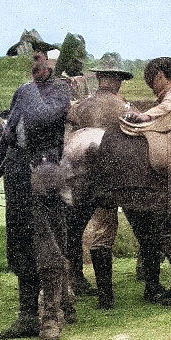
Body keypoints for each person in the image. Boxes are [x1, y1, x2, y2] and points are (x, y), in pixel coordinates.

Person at [0, 41, 73, 340]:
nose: (32, 64)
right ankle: (26, 316)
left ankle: (51, 316)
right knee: (19, 244)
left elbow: (40, 119)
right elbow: (8, 137)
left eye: (36, 58)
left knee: (47, 244)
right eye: (29, 60)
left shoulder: (60, 90)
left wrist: (25, 91)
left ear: (50, 61)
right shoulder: (24, 92)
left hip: (45, 172)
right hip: (17, 174)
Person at [67, 52, 140, 308]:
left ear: (98, 78)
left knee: (73, 226)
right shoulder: (125, 108)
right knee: (104, 225)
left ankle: (75, 278)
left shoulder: (82, 105)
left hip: (74, 175)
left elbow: (70, 118)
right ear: (118, 80)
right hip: (110, 175)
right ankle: (106, 296)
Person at [124, 57, 171, 259]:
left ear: (162, 77)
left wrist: (146, 116)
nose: (152, 86)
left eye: (153, 80)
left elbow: (167, 108)